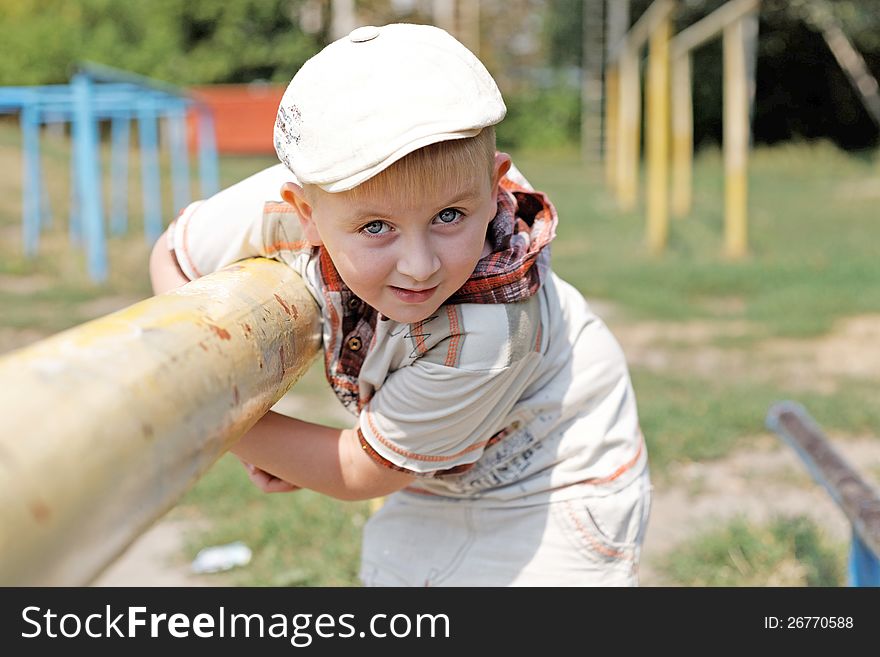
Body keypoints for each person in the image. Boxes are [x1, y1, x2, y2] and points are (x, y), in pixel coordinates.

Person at [149, 23, 651, 586]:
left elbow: (363, 470)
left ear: (493, 188)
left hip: (552, 484)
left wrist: (212, 416)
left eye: (448, 217)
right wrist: (224, 393)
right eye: (377, 227)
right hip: (435, 475)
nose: (419, 265)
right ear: (306, 211)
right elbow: (174, 256)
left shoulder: (493, 326)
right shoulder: (292, 201)